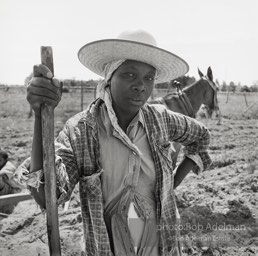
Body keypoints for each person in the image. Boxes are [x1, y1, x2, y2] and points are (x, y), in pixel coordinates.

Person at [15, 30, 212, 256]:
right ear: (109, 77)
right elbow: (45, 196)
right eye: (129, 74)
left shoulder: (161, 119)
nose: (141, 85)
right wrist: (41, 115)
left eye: (149, 77)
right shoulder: (81, 131)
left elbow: (201, 136)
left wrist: (174, 182)